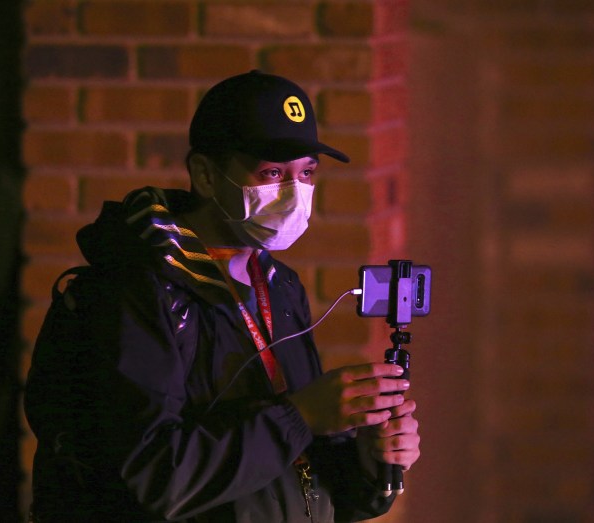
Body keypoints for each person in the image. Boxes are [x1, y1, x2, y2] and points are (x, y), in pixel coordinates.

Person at [24, 70, 420, 522]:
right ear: (206, 175)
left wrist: (370, 463)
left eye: (307, 172)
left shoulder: (278, 283)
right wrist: (301, 416)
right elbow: (153, 476)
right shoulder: (137, 288)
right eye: (271, 172)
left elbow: (297, 471)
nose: (294, 193)